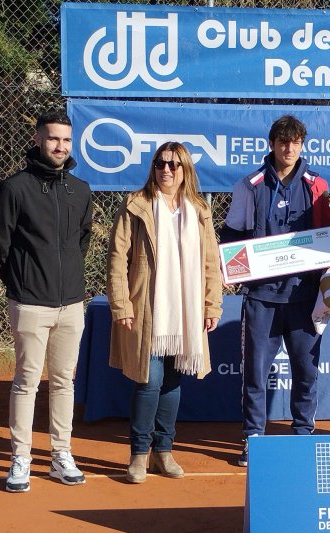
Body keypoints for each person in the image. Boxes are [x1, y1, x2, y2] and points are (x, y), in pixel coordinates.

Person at [220, 115, 330, 466]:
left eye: (294, 142)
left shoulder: (317, 184)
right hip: (262, 296)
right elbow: (232, 234)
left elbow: (328, 235)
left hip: (305, 297)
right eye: (282, 141)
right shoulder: (250, 185)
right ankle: (253, 438)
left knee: (306, 370)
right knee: (255, 372)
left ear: (302, 145)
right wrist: (230, 265)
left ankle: (303, 433)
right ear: (272, 144)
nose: (288, 148)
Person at [0, 111, 92, 493]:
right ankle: (21, 460)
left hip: (72, 305)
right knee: (26, 382)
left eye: (65, 140)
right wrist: (23, 285)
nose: (60, 147)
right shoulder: (15, 188)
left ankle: (61, 456)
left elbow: (81, 240)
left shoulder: (80, 190)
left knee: (64, 382)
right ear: (37, 140)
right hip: (30, 304)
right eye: (52, 139)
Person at [107, 142, 223, 484]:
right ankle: (139, 456)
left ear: (185, 169)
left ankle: (164, 452)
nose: (166, 170)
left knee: (172, 383)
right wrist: (122, 303)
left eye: (174, 164)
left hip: (186, 312)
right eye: (160, 163)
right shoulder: (136, 205)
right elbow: (117, 258)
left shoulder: (199, 210)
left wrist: (211, 304)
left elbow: (209, 263)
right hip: (147, 308)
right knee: (149, 380)